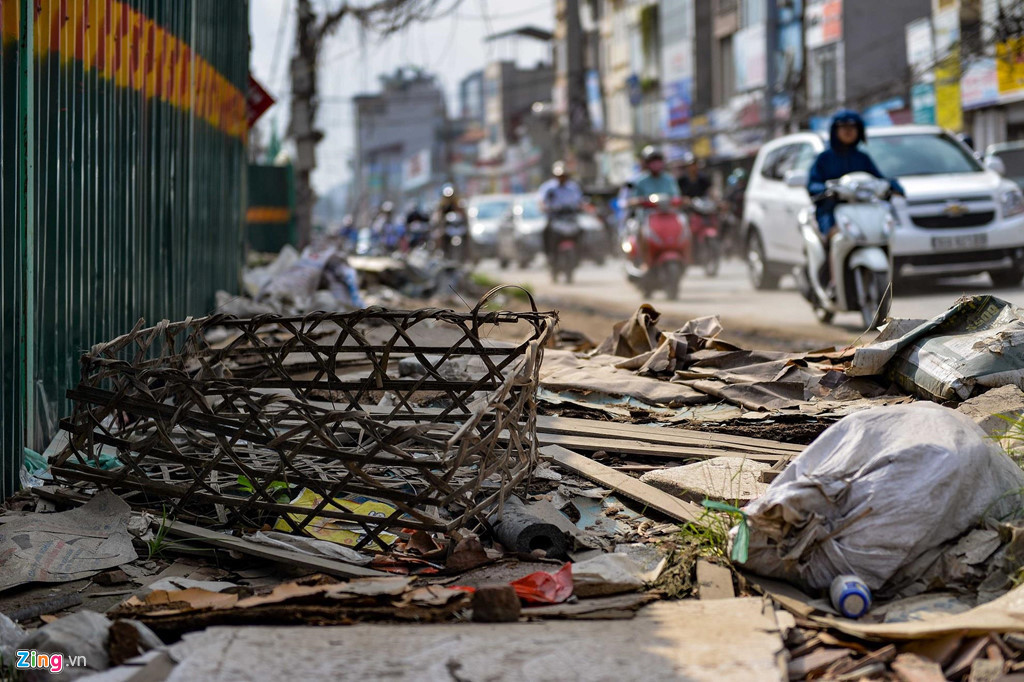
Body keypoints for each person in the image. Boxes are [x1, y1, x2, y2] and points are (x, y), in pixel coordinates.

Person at [807, 109, 905, 239]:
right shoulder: (824, 159)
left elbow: (879, 179)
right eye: (843, 127)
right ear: (835, 131)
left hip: (864, 208)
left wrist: (892, 186)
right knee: (834, 234)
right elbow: (813, 184)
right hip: (832, 209)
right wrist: (827, 191)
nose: (848, 131)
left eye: (853, 127)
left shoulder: (862, 158)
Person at [537, 161, 584, 261]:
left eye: (563, 175)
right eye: (559, 176)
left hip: (570, 218)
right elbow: (541, 201)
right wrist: (544, 207)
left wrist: (583, 207)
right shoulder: (548, 187)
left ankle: (580, 255)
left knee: (582, 231)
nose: (561, 178)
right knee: (545, 232)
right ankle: (548, 255)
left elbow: (580, 201)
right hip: (555, 218)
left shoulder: (573, 187)